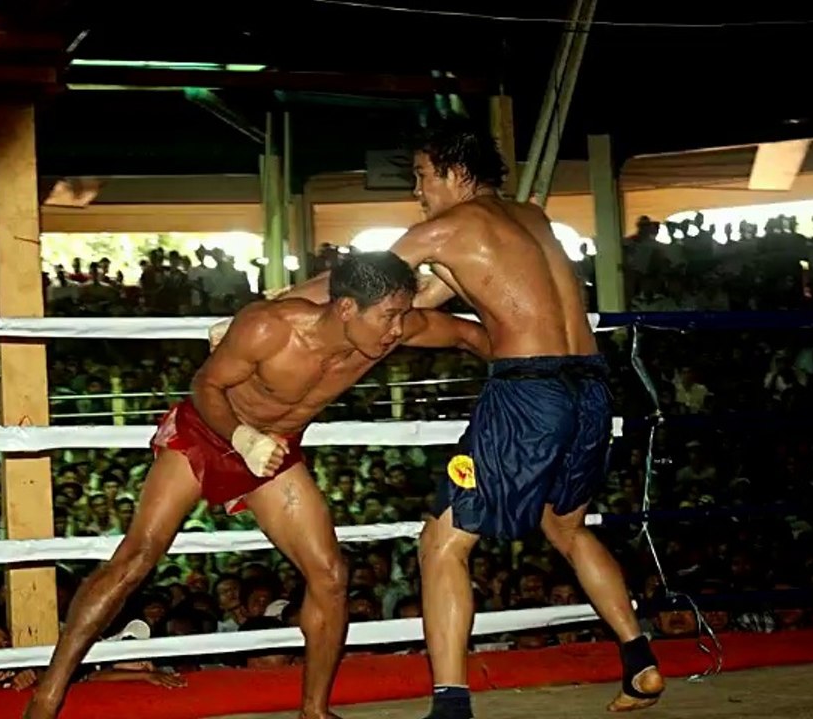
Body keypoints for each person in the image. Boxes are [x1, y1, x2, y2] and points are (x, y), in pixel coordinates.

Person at [282, 118, 664, 718]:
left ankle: (450, 706)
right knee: (566, 527)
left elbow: (353, 284)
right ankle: (640, 661)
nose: (418, 191)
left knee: (441, 543)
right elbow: (431, 294)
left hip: (529, 393)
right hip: (592, 387)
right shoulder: (531, 217)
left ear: (456, 172)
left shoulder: (447, 227)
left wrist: (266, 309)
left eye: (423, 176)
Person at [23, 251, 492, 719]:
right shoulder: (271, 327)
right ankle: (47, 697)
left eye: (401, 315)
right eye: (388, 316)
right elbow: (206, 385)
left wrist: (530, 371)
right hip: (206, 435)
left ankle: (314, 710)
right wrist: (242, 438)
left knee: (330, 576)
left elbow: (468, 335)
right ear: (347, 307)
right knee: (136, 558)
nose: (396, 329)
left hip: (275, 451)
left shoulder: (391, 331)